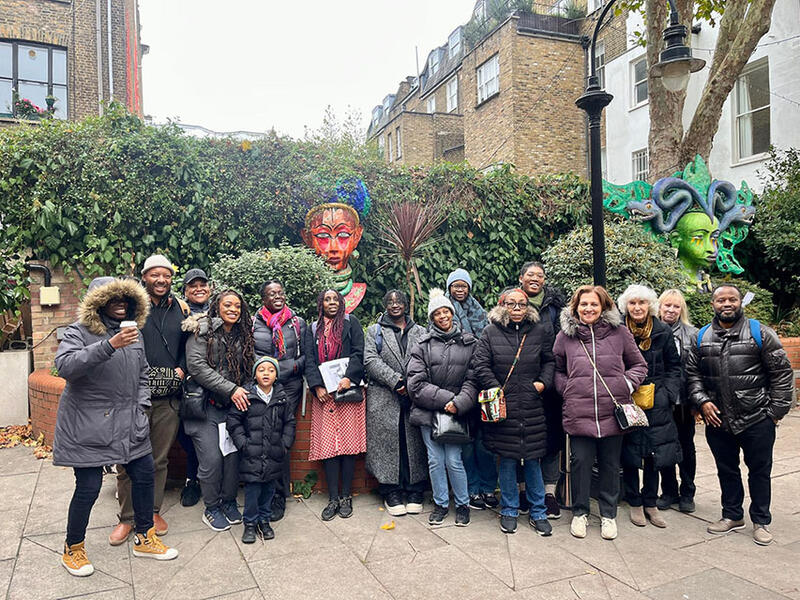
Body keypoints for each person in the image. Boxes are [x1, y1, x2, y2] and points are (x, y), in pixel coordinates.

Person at [54, 277, 178, 576]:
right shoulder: (78, 332)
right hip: (88, 425)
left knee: (145, 476)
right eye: (114, 299)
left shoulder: (133, 333)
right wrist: (109, 345)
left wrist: (142, 406)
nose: (122, 304)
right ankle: (73, 549)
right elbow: (67, 366)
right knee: (88, 488)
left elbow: (143, 373)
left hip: (129, 421)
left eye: (126, 299)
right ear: (98, 304)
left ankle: (144, 537)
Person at [687, 284, 794, 545]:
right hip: (718, 419)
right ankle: (732, 515)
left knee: (759, 471)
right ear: (712, 304)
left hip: (757, 418)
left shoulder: (760, 333)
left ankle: (761, 520)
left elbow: (782, 374)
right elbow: (692, 375)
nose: (726, 304)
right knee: (726, 469)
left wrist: (774, 413)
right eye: (720, 299)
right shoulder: (702, 337)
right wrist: (702, 402)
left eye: (732, 299)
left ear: (740, 302)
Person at [553, 285, 647, 541]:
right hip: (579, 411)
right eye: (583, 304)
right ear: (576, 307)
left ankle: (608, 515)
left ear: (603, 307)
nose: (588, 309)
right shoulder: (565, 336)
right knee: (580, 463)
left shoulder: (620, 333)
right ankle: (580, 512)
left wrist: (626, 384)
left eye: (593, 304)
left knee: (609, 465)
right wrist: (567, 388)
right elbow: (557, 369)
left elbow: (639, 365)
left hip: (612, 411)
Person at [110, 254, 189, 546]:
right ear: (144, 277)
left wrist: (182, 368)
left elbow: (188, 343)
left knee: (158, 459)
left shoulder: (180, 308)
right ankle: (127, 518)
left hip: (168, 396)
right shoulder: (130, 307)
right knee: (126, 459)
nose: (161, 280)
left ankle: (152, 511)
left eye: (166, 275)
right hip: (132, 397)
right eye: (155, 275)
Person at [472, 287, 555, 536]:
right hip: (503, 406)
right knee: (507, 460)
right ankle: (509, 509)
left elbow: (549, 360)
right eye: (511, 304)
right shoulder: (490, 332)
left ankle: (538, 511)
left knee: (532, 459)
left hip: (531, 404)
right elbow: (480, 364)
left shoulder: (539, 331)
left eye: (521, 304)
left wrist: (541, 383)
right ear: (503, 305)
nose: (517, 309)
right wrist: (496, 389)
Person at [184, 289, 254, 532]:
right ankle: (211, 507)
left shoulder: (242, 333)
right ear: (217, 306)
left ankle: (229, 501)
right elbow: (196, 365)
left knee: (232, 458)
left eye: (237, 306)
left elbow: (248, 367)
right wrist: (231, 389)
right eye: (228, 305)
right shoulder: (202, 329)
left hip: (231, 410)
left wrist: (243, 389)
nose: (233, 309)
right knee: (212, 459)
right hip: (205, 407)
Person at [407, 289, 478, 528]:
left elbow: (474, 378)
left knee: (454, 460)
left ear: (452, 312)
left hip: (457, 411)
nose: (443, 316)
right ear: (432, 318)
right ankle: (440, 504)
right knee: (435, 460)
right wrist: (446, 399)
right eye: (437, 313)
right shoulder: (422, 345)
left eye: (446, 311)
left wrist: (458, 403)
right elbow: (415, 383)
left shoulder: (469, 343)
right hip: (429, 411)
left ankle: (462, 504)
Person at [618, 285, 682, 529]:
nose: (637, 308)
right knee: (631, 453)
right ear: (626, 306)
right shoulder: (618, 330)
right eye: (632, 303)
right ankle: (634, 501)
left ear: (650, 306)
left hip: (657, 400)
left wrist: (667, 394)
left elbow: (674, 366)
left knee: (653, 453)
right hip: (627, 398)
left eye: (642, 303)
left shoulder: (662, 331)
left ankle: (650, 502)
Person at [304, 289, 367, 521]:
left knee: (348, 447)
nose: (332, 302)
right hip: (325, 396)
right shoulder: (312, 329)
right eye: (327, 299)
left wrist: (349, 377)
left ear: (342, 302)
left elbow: (360, 353)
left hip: (347, 393)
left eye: (335, 299)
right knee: (329, 447)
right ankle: (332, 498)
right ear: (321, 304)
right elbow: (309, 360)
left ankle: (345, 497)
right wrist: (317, 386)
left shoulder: (352, 323)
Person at [364, 290, 428, 516]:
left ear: (405, 304)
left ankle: (415, 489)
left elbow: (427, 359)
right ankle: (390, 490)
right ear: (385, 305)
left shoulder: (420, 331)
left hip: (414, 395)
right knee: (387, 443)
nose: (394, 305)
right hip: (384, 395)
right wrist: (396, 381)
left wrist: (410, 384)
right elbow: (370, 360)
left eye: (398, 301)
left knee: (414, 442)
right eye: (389, 301)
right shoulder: (375, 331)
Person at [253, 279, 307, 521]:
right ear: (263, 299)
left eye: (280, 292)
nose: (277, 296)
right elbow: (249, 353)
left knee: (282, 435)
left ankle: (279, 495)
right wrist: (268, 371)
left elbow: (307, 355)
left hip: (290, 386)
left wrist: (287, 368)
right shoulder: (253, 323)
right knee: (264, 434)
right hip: (263, 385)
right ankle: (264, 488)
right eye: (271, 293)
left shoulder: (297, 323)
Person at [226, 356, 296, 544]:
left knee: (269, 490)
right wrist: (243, 443)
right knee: (252, 490)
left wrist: (284, 444)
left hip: (274, 454)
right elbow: (233, 422)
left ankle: (264, 521)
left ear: (276, 376)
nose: (266, 373)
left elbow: (289, 422)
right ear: (255, 374)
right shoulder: (247, 396)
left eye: (271, 370)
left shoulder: (281, 397)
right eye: (262, 370)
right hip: (252, 454)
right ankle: (249, 524)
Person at [445, 268, 497, 511]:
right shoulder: (443, 312)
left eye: (463, 285)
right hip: (457, 385)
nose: (459, 289)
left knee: (485, 442)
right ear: (449, 288)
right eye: (455, 285)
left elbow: (489, 344)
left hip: (482, 382)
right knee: (465, 442)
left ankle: (488, 487)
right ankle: (472, 489)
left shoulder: (480, 312)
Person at [519, 261, 566, 519]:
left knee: (549, 438)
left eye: (540, 275)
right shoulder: (510, 302)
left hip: (549, 382)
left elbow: (562, 343)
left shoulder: (555, 307)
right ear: (521, 278)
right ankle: (523, 490)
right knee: (517, 438)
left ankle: (548, 493)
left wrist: (549, 379)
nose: (535, 278)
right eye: (530, 274)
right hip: (518, 381)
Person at [657, 289, 699, 513]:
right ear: (659, 307)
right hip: (662, 400)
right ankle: (669, 490)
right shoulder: (652, 331)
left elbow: (696, 371)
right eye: (667, 305)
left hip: (684, 400)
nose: (671, 310)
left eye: (676, 306)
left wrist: (697, 402)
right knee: (664, 446)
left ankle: (688, 491)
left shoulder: (692, 334)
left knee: (686, 446)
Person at [177, 268, 211, 507]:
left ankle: (210, 479)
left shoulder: (220, 309)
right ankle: (192, 480)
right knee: (187, 434)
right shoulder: (179, 313)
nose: (199, 289)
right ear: (186, 291)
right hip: (187, 382)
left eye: (203, 284)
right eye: (193, 285)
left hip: (216, 380)